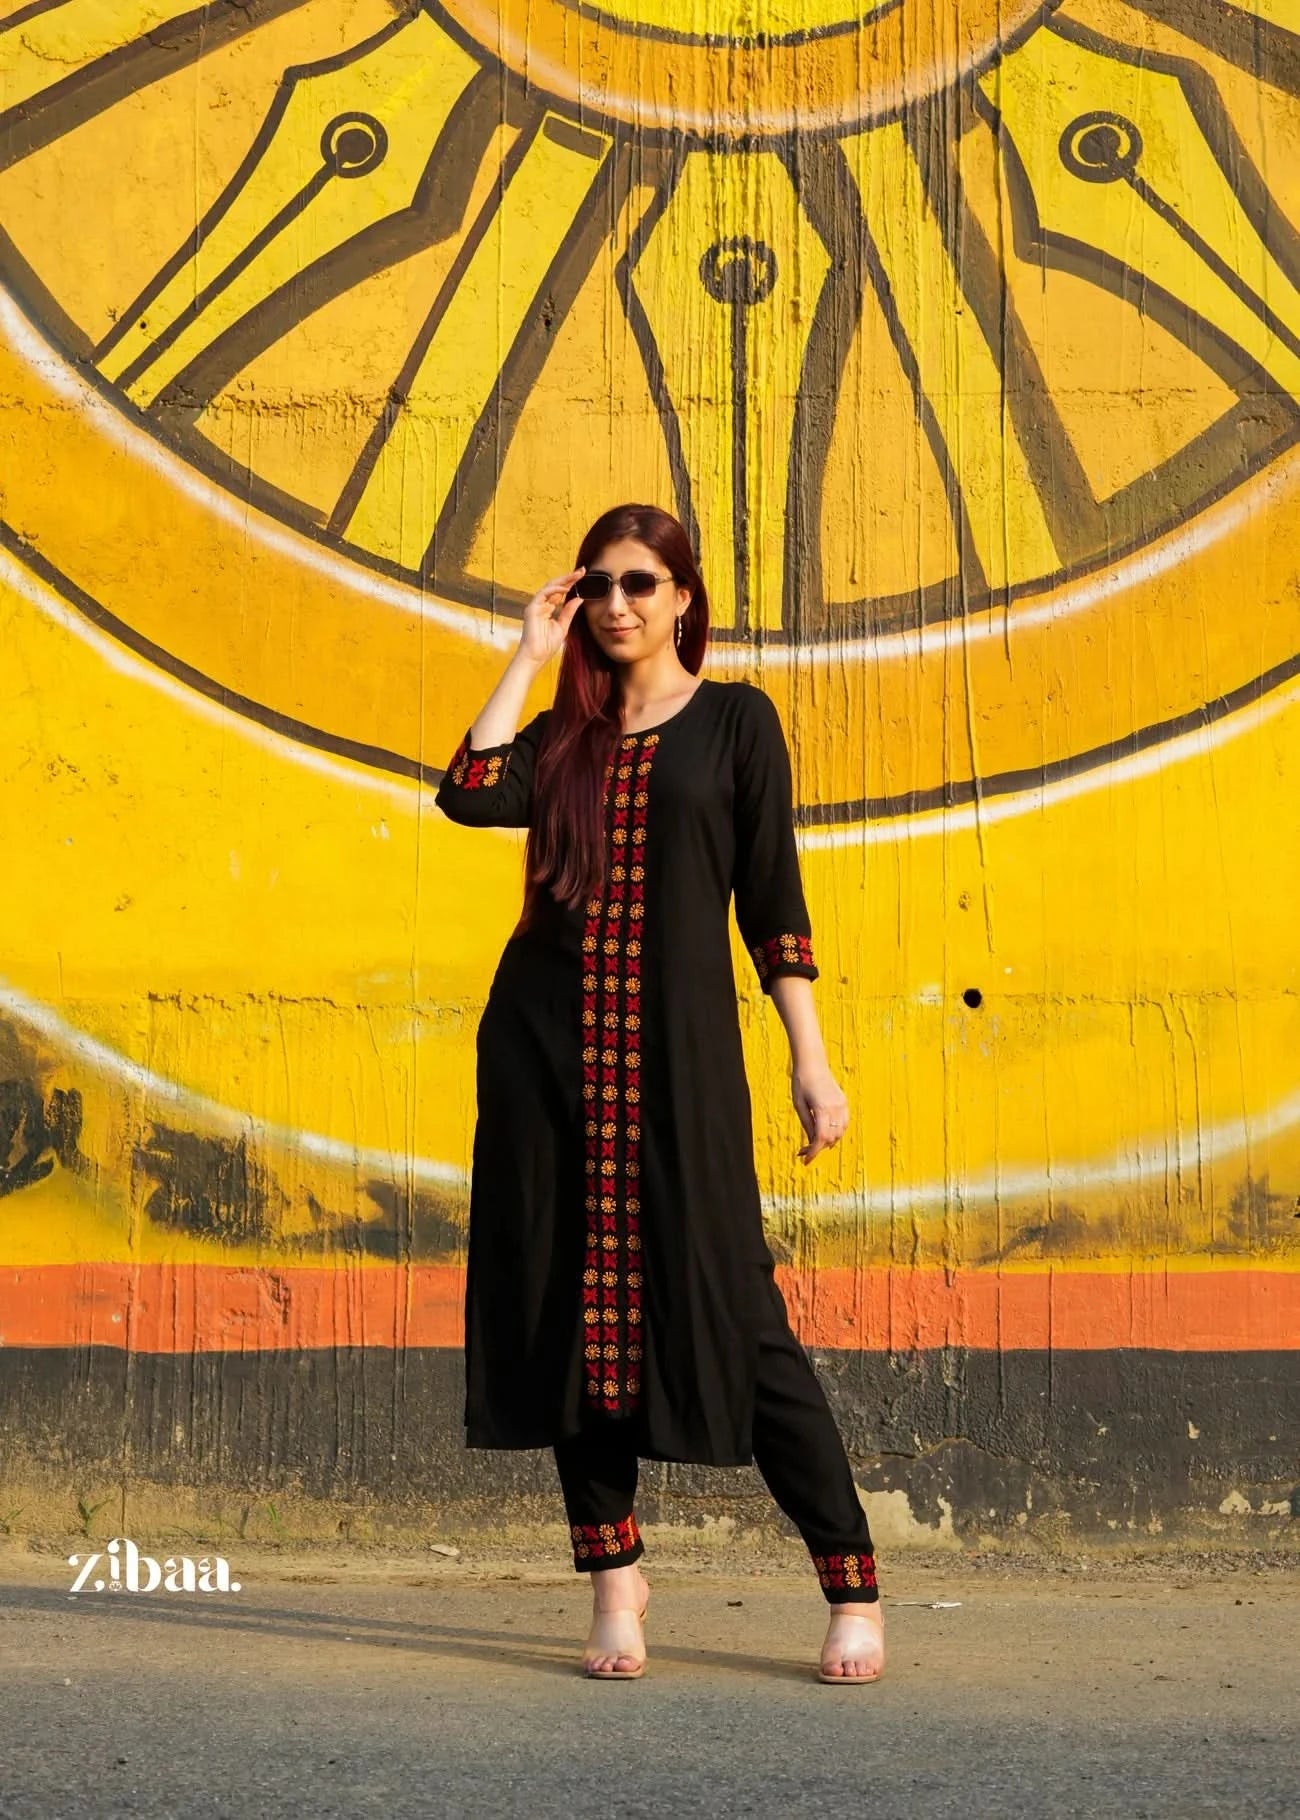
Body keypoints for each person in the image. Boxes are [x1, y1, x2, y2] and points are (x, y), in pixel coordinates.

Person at [434, 503, 884, 1684]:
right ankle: (613, 1579)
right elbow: (469, 790)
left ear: (684, 594)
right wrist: (529, 651)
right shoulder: (566, 738)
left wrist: (808, 1055)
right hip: (545, 1060)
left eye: (641, 581)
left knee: (740, 1310)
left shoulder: (736, 721)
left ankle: (849, 1581)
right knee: (566, 1306)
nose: (619, 603)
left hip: (679, 1067)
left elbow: (772, 899)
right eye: (599, 586)